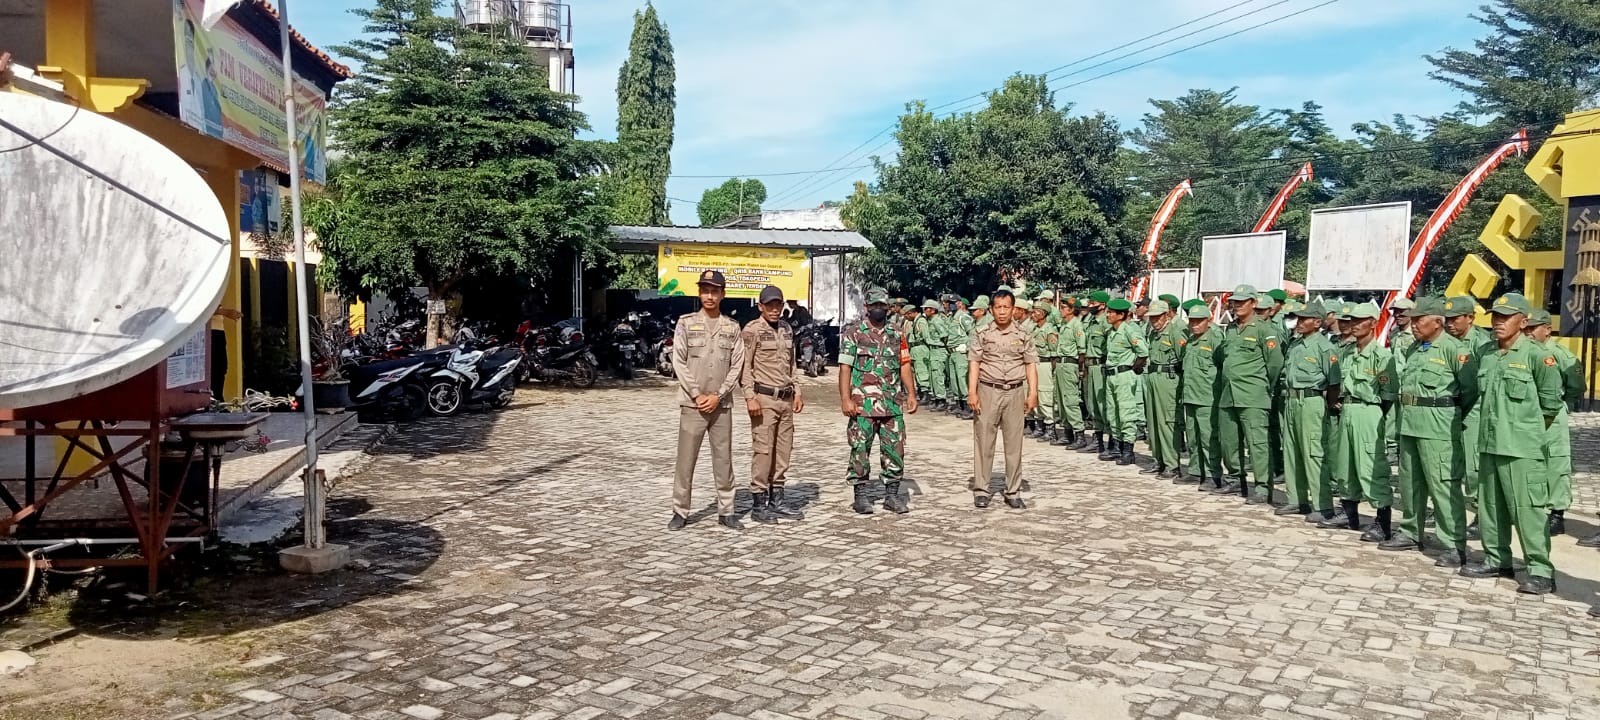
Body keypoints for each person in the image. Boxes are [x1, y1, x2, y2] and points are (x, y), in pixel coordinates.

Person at [1460, 293, 1562, 594]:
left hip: (1521, 448)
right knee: (1491, 507)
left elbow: (1550, 404)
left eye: (1506, 317)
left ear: (1524, 321)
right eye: (1495, 316)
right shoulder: (1487, 353)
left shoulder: (1536, 355)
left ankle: (1540, 570)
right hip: (1490, 444)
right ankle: (1496, 559)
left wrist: (1525, 433)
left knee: (1527, 510)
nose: (1498, 322)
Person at [1379, 295, 1471, 564]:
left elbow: (1470, 391)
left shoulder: (1455, 350)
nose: (1415, 324)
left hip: (1438, 425)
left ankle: (1453, 543)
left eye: (1420, 320)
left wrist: (1448, 415)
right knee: (1410, 483)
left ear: (1438, 322)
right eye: (1414, 320)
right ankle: (1410, 531)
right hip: (1410, 423)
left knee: (1443, 485)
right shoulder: (1413, 349)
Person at [669, 270, 747, 531]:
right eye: (705, 290)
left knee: (723, 459)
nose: (709, 296)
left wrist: (719, 395)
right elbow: (678, 361)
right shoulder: (686, 323)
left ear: (723, 294)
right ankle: (680, 510)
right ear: (699, 292)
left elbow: (737, 366)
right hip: (693, 404)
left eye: (714, 291)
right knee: (686, 459)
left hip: (721, 406)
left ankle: (727, 510)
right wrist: (697, 394)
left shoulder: (732, 327)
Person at [840, 287, 919, 515]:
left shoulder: (897, 334)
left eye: (882, 305)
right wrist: (845, 398)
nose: (878, 309)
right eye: (874, 305)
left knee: (895, 450)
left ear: (887, 307)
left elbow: (904, 364)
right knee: (860, 450)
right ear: (866, 307)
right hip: (862, 405)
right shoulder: (854, 333)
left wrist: (911, 394)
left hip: (892, 404)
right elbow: (845, 367)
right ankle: (861, 496)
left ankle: (892, 496)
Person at [1323, 302, 1396, 540]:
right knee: (1345, 464)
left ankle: (1382, 521)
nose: (1353, 325)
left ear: (1374, 323)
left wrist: (1374, 416)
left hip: (1369, 410)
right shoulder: (1348, 353)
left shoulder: (1382, 357)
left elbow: (1388, 396)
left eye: (1360, 320)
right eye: (1351, 320)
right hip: (1347, 410)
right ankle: (1348, 511)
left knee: (1370, 466)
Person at [968, 290, 1040, 508]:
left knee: (1014, 443)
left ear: (1013, 309)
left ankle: (1013, 491)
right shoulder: (982, 332)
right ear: (991, 309)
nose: (1001, 311)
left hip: (1015, 392)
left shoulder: (1024, 334)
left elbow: (1030, 364)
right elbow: (974, 362)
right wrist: (972, 391)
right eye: (997, 307)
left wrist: (1033, 392)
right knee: (984, 442)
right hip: (988, 390)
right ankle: (981, 489)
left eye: (1006, 307)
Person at [741, 286, 806, 524]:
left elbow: (792, 366)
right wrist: (750, 397)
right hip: (764, 400)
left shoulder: (787, 329)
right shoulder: (752, 330)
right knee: (763, 452)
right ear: (761, 307)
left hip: (786, 400)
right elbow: (744, 367)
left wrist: (797, 391)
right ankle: (759, 504)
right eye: (769, 305)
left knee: (783, 452)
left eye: (778, 304)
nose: (775, 309)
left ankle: (776, 500)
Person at [1217, 285, 1283, 501]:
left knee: (1257, 444)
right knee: (1229, 441)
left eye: (1242, 302)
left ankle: (1263, 487)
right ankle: (1236, 479)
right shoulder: (1231, 329)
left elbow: (1274, 364)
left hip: (1253, 394)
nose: (1236, 306)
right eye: (1234, 302)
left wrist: (1263, 387)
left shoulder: (1264, 329)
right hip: (1229, 394)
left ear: (1254, 303)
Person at [1277, 300, 1341, 519]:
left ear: (1317, 322)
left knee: (1314, 452)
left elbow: (1334, 381)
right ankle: (1296, 499)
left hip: (1312, 401)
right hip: (1292, 400)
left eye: (1305, 319)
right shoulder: (1295, 345)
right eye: (1299, 319)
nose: (1300, 323)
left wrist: (1330, 403)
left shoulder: (1324, 347)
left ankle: (1322, 505)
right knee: (1292, 450)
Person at [1524, 309, 1583, 535]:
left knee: (1555, 462)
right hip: (1527, 414)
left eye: (1533, 328)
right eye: (1526, 328)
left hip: (1553, 413)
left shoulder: (1560, 355)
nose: (1528, 332)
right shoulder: (1522, 352)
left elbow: (1576, 386)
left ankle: (1557, 514)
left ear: (1547, 329)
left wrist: (1562, 404)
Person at [1443, 296, 1492, 538]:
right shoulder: (1445, 341)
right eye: (1447, 319)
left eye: (1455, 319)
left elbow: (1475, 385)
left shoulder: (1481, 343)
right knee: (1452, 462)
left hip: (1474, 408)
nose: (1450, 323)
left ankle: (1482, 515)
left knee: (1474, 467)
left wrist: (1463, 405)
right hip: (1451, 408)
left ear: (1470, 318)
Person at [1183, 302, 1226, 491]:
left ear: (1208, 320)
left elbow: (1223, 365)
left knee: (1209, 438)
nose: (1195, 325)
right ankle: (1195, 470)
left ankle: (1212, 474)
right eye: (1192, 321)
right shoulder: (1191, 341)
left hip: (1207, 396)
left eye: (1199, 321)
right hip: (1190, 394)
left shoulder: (1215, 339)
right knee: (1192, 436)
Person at [1101, 298, 1147, 465]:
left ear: (1121, 315)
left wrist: (1133, 368)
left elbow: (1143, 352)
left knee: (1126, 413)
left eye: (1112, 312)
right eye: (1108, 311)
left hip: (1124, 375)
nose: (1108, 315)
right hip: (1111, 376)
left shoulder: (1129, 331)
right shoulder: (1112, 332)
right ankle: (1117, 447)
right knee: (1113, 413)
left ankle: (1128, 450)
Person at [1141, 299, 1183, 478]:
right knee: (1153, 420)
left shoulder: (1175, 331)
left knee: (1167, 422)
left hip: (1169, 378)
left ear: (1167, 315)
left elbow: (1183, 358)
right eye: (1152, 318)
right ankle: (1158, 459)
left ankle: (1172, 464)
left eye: (1158, 317)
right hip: (1153, 376)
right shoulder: (1153, 333)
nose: (1154, 321)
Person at [1080, 291, 1112, 457]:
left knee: (1103, 405)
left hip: (1101, 366)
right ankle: (1098, 440)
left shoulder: (1107, 322)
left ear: (1103, 305)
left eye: (1093, 303)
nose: (1090, 306)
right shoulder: (1090, 322)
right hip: (1089, 367)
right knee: (1092, 404)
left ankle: (1113, 441)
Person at [1056, 297, 1086, 448]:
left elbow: (1082, 351)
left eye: (1064, 307)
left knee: (1070, 399)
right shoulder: (1063, 324)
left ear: (1072, 310)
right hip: (1061, 364)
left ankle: (1079, 434)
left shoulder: (1076, 325)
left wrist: (1080, 369)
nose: (1061, 310)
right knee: (1061, 400)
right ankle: (1067, 432)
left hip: (1070, 364)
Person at [1028, 300, 1058, 441]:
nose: (1033, 314)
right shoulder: (1034, 329)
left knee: (1045, 395)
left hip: (1045, 364)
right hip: (1034, 364)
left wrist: (1051, 371)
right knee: (1035, 394)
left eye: (1036, 312)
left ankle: (1050, 428)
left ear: (1044, 313)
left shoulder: (1049, 330)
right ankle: (1040, 425)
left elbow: (1054, 354)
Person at [948, 296, 975, 419]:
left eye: (953, 303)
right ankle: (961, 405)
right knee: (954, 380)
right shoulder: (951, 317)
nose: (950, 305)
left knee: (962, 379)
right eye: (949, 303)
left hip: (960, 351)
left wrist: (967, 346)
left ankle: (969, 408)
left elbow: (972, 332)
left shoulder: (963, 316)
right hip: (952, 352)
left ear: (959, 303)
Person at [925, 300, 953, 411]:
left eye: (927, 308)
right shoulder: (931, 320)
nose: (925, 310)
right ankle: (937, 398)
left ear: (933, 310)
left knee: (938, 376)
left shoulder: (937, 321)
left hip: (939, 350)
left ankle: (941, 400)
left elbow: (945, 335)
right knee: (933, 376)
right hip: (933, 350)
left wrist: (946, 349)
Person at [909, 301, 935, 404]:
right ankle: (922, 392)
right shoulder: (916, 321)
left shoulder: (921, 321)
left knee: (922, 371)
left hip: (921, 348)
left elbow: (925, 336)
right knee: (918, 372)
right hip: (916, 349)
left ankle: (926, 394)